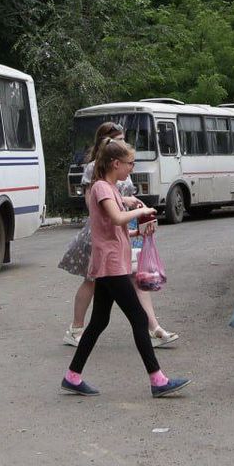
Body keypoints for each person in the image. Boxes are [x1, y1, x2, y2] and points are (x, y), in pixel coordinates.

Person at [61, 139, 190, 398]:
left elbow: (116, 229)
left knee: (99, 321)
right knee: (139, 319)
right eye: (129, 163)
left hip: (112, 262)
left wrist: (139, 230)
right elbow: (117, 218)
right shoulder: (101, 188)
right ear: (115, 163)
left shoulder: (110, 188)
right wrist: (144, 212)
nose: (132, 168)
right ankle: (158, 380)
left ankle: (72, 376)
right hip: (110, 265)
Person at [59, 121, 179, 347]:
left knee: (129, 281)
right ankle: (76, 328)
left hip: (121, 229)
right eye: (120, 140)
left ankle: (153, 328)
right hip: (103, 233)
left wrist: (136, 215)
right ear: (109, 146)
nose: (124, 144)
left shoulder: (122, 168)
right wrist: (127, 204)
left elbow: (121, 198)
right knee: (93, 282)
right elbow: (95, 202)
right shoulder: (96, 170)